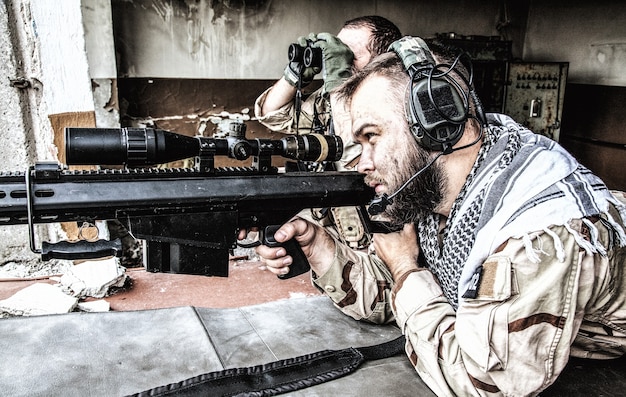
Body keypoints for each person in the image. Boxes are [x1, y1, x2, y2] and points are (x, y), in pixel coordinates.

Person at [254, 36, 626, 396]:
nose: (362, 163)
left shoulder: (538, 233)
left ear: (436, 124)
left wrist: (405, 269)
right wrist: (319, 245)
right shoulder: (436, 193)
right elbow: (395, 300)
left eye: (372, 137)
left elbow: (483, 381)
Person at [253, 15, 402, 250]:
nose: (338, 61)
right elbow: (274, 115)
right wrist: (294, 74)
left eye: (348, 55)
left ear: (382, 60)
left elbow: (353, 153)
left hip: (383, 237)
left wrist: (338, 82)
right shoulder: (328, 100)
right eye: (336, 52)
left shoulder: (397, 101)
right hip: (339, 229)